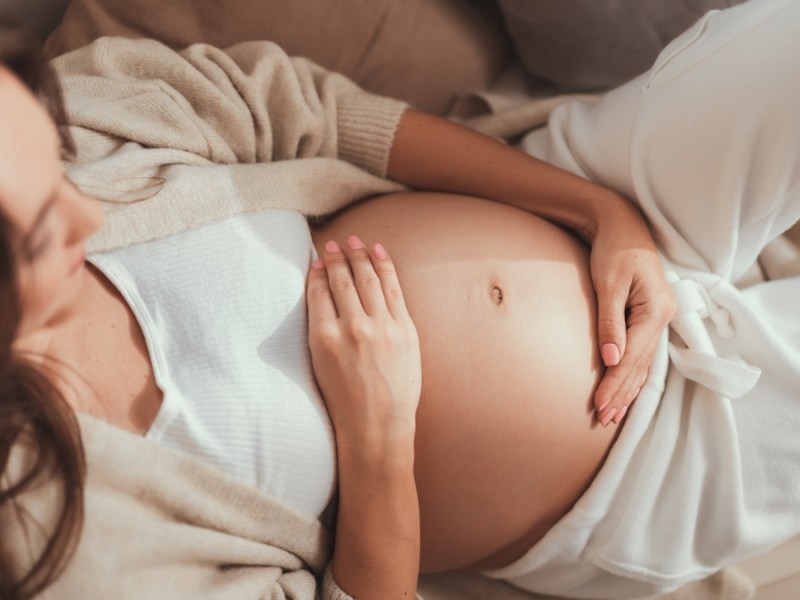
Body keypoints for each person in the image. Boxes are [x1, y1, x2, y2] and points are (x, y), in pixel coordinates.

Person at [0, 21, 672, 600]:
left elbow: (304, 108)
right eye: (41, 230)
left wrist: (598, 209)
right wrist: (378, 442)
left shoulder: (58, 127)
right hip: (638, 478)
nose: (87, 210)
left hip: (587, 186)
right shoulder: (66, 558)